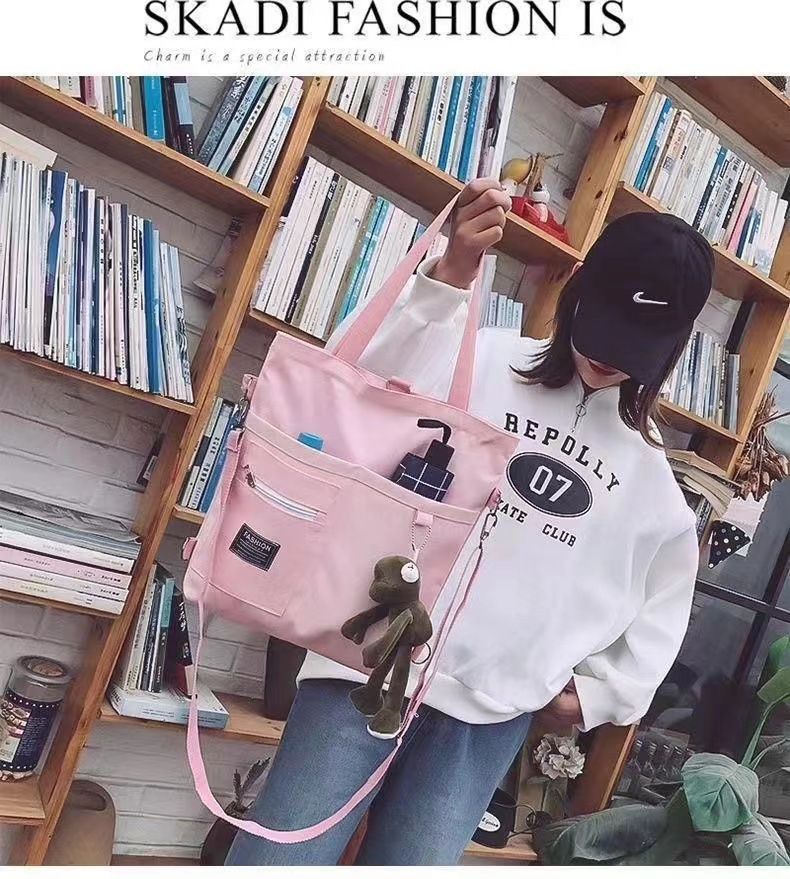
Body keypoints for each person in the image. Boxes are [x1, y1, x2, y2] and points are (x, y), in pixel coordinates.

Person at [226, 176, 715, 866]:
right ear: (579, 291)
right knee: (275, 862)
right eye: (606, 324)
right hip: (366, 667)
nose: (609, 357)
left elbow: (664, 601)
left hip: (487, 718)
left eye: (636, 344)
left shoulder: (651, 480)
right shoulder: (481, 359)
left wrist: (598, 694)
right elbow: (353, 391)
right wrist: (450, 274)